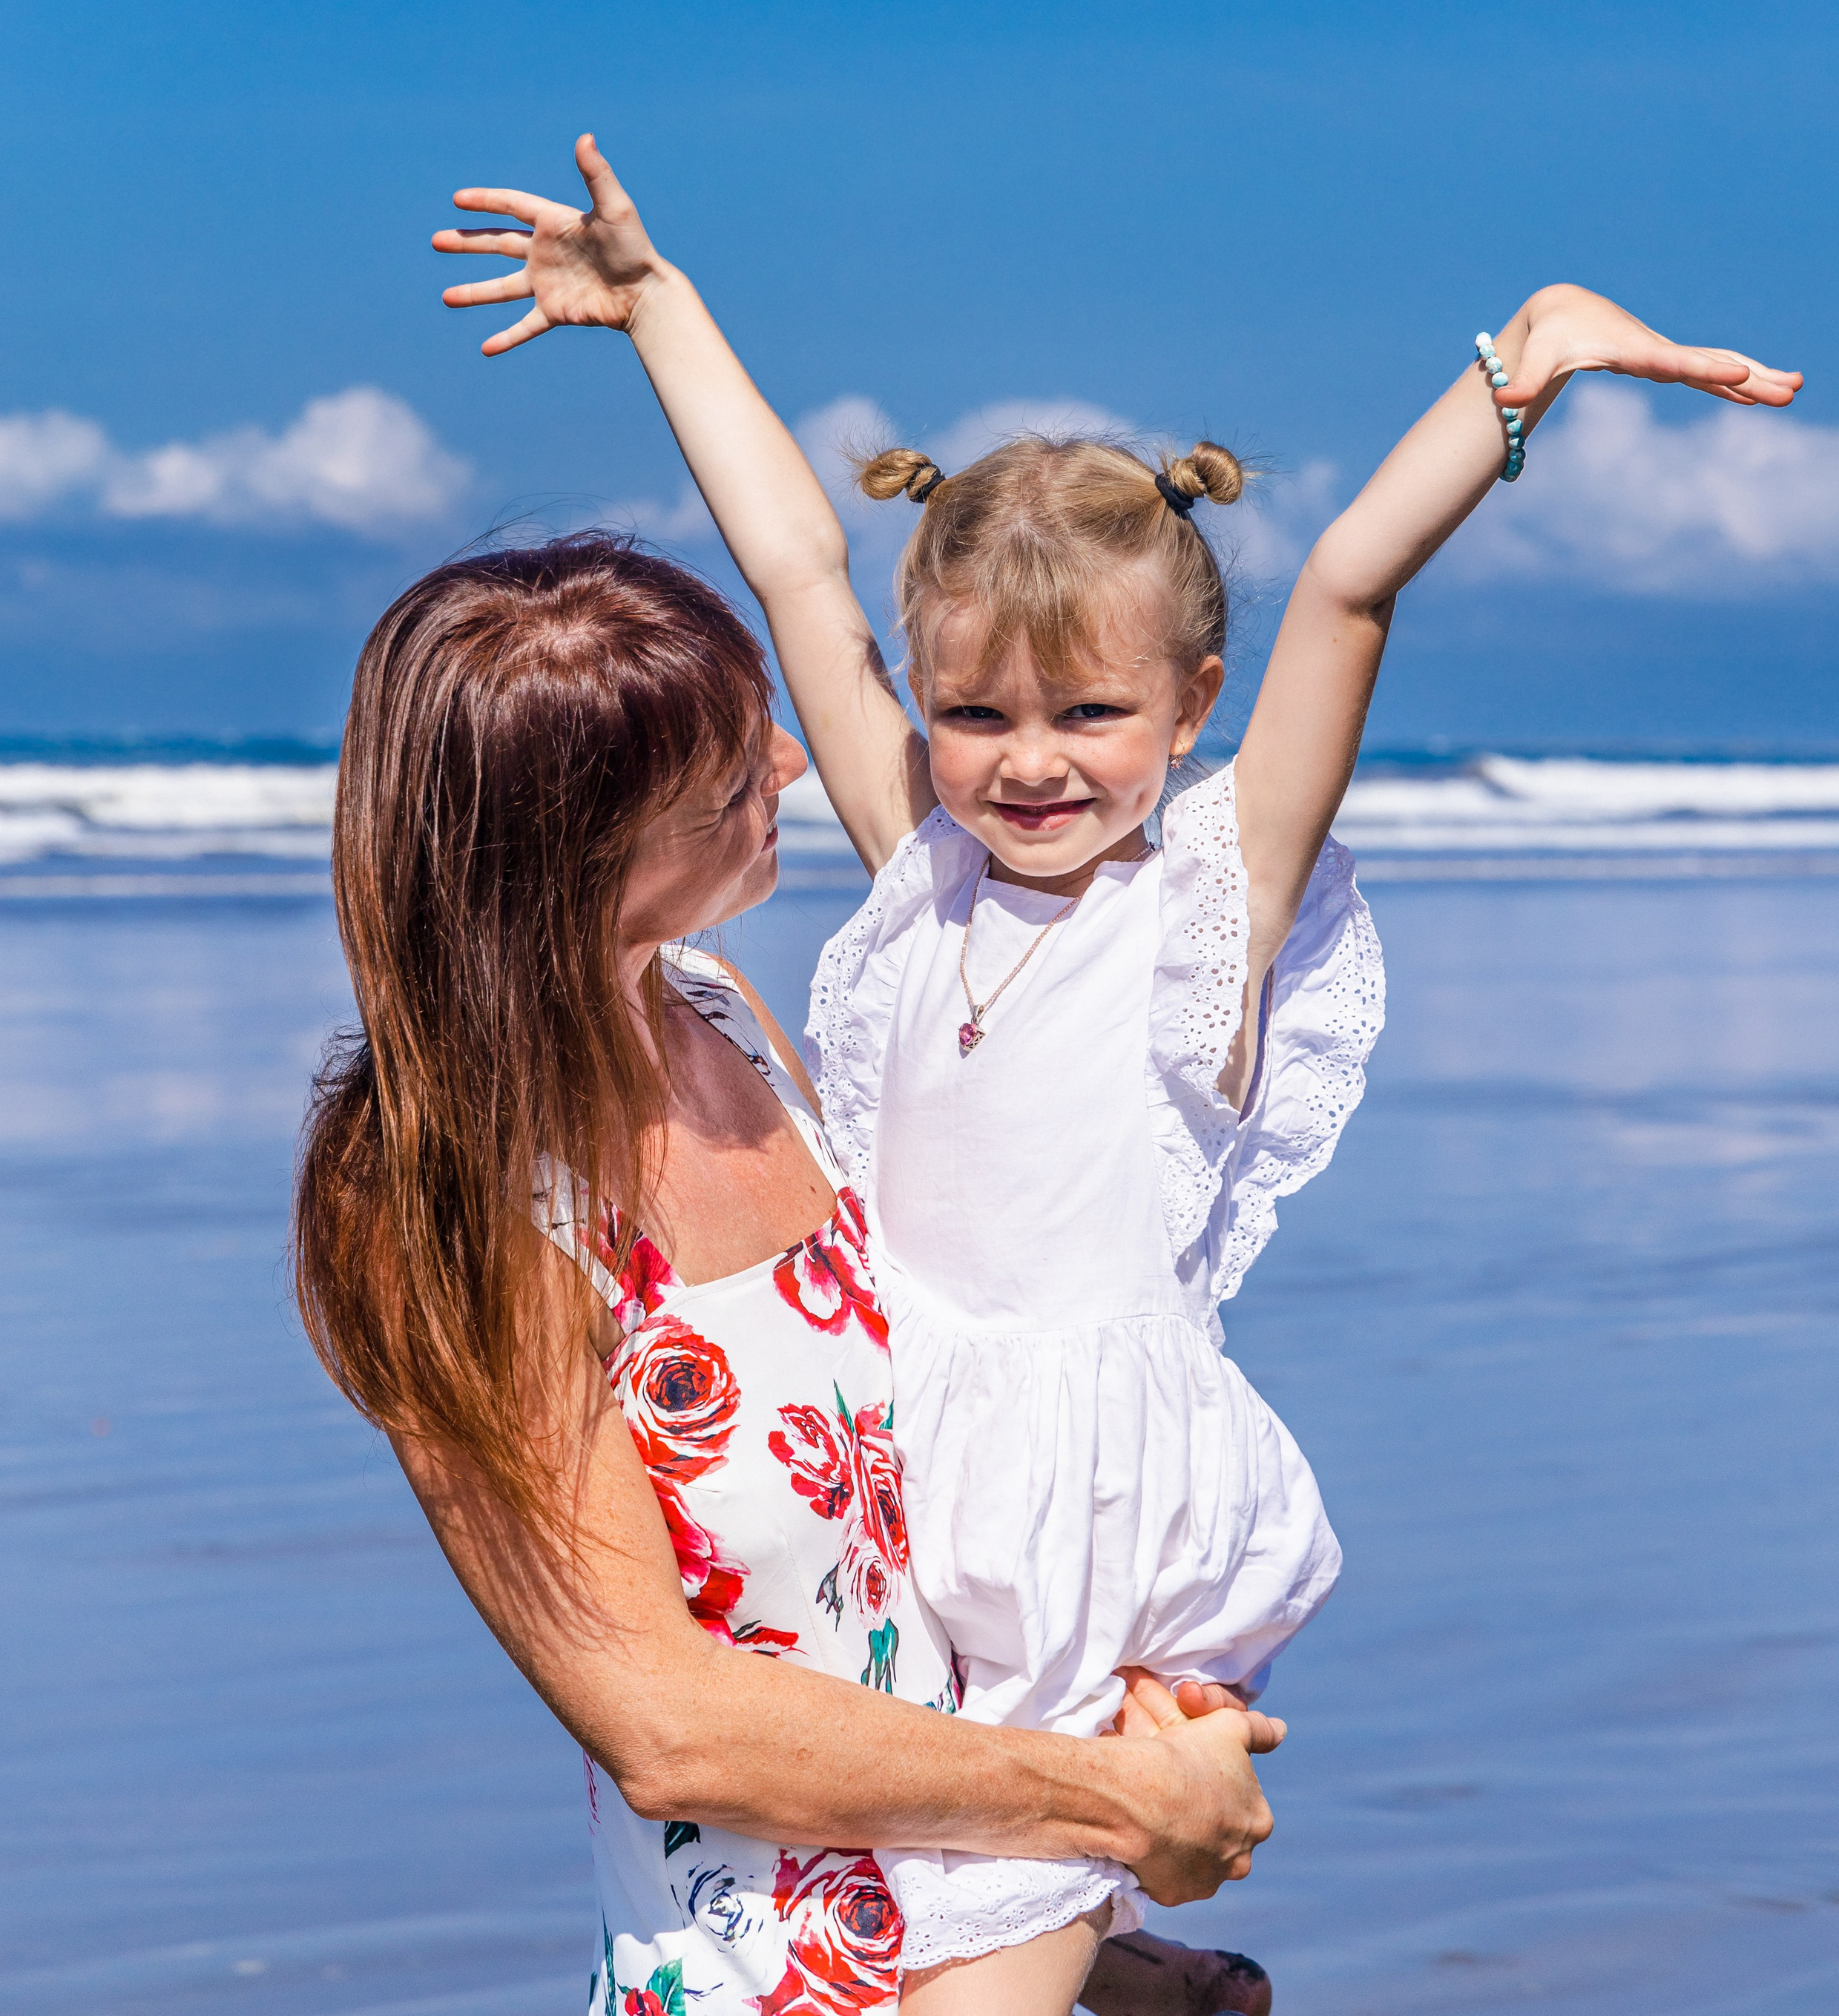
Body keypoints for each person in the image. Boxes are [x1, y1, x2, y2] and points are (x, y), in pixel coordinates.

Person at [432, 140, 1802, 2011]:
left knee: (988, 1955)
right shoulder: (921, 866)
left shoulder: (1208, 915)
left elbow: (1345, 587)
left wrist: (1526, 367)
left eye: (1090, 714)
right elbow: (791, 558)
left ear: (1191, 703)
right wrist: (658, 306)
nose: (1026, 763)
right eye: (975, 710)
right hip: (906, 1510)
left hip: (1090, 1528)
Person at [292, 536, 1283, 2016]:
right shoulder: (442, 1199)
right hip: (774, 1977)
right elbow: (669, 1724)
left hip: (990, 1903)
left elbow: (912, 1496)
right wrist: (1115, 1800)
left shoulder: (711, 1007)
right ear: (580, 849)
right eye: (722, 776)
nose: (789, 764)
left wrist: (1117, 1724)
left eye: (759, 718)